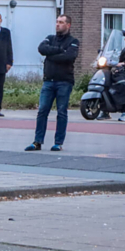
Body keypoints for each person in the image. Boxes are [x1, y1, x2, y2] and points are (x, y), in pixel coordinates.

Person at [25, 14, 79, 152]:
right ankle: (37, 141)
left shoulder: (74, 41)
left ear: (68, 25)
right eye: (57, 22)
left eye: (61, 22)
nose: (57, 24)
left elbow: (69, 57)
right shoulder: (50, 38)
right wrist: (59, 51)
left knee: (61, 112)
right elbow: (41, 49)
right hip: (48, 81)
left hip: (64, 82)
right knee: (42, 111)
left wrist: (51, 55)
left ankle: (58, 143)